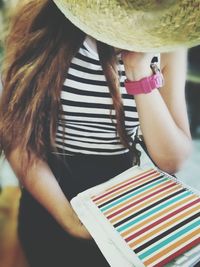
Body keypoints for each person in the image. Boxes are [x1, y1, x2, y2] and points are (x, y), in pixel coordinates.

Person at [0, 0, 199, 266]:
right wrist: (68, 217)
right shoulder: (38, 20)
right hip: (48, 184)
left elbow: (172, 159)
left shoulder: (168, 44)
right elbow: (17, 137)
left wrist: (139, 72)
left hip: (121, 190)